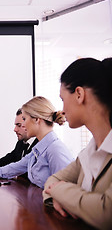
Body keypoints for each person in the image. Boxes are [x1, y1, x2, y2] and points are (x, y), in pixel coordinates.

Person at [43, 58, 112, 229]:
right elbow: (52, 180)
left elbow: (106, 213)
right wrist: (55, 195)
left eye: (63, 99)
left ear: (79, 94)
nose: (63, 109)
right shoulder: (88, 153)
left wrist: (59, 192)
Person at [0, 96, 74, 189]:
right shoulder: (37, 151)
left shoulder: (55, 150)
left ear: (37, 120)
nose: (23, 125)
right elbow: (5, 171)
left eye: (25, 119)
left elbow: (66, 193)